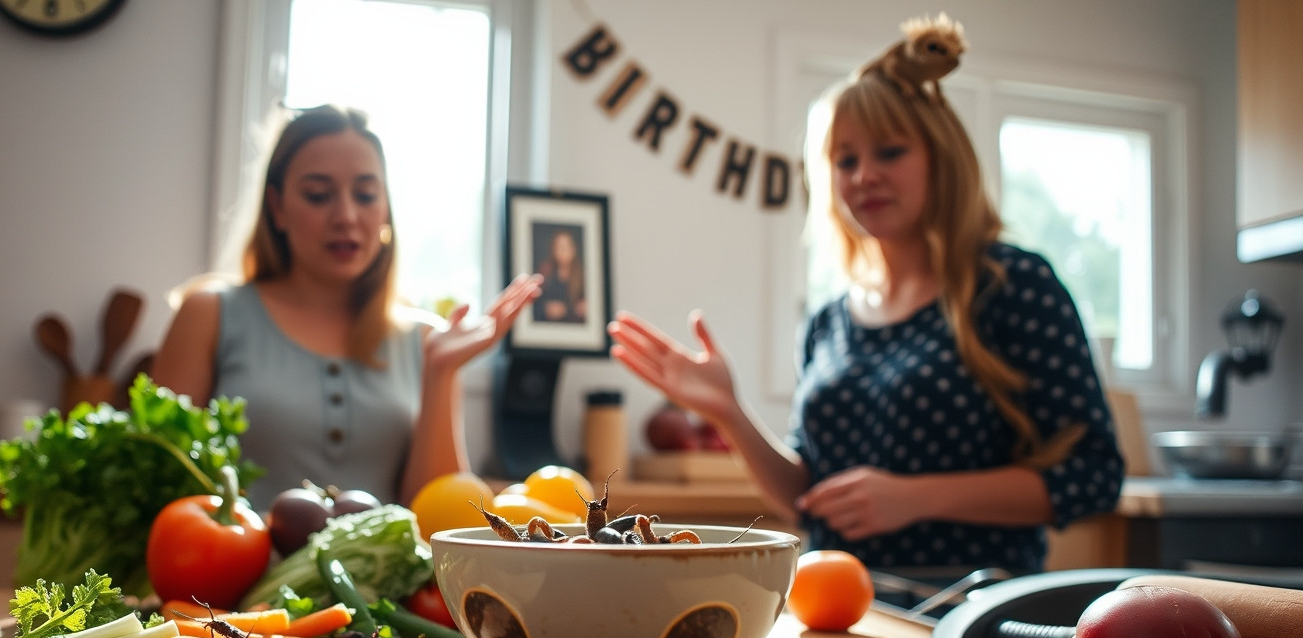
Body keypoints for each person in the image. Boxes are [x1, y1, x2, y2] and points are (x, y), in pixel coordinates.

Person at [608, 16, 1123, 575]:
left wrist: (916, 497)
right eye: (845, 160)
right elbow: (807, 499)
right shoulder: (829, 322)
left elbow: (1094, 477)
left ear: (941, 157)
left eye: (889, 152)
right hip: (841, 606)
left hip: (966, 608)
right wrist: (728, 412)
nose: (863, 176)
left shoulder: (1014, 286)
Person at [153, 104, 541, 511]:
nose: (346, 216)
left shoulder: (429, 341)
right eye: (318, 195)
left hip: (386, 576)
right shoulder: (210, 315)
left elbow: (433, 520)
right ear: (277, 207)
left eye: (366, 194)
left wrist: (441, 372)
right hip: (236, 574)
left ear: (386, 210)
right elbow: (159, 487)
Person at [531, 227, 587, 323]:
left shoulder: (584, 277)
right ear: (553, 250)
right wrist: (546, 310)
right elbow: (534, 309)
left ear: (573, 249)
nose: (563, 251)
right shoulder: (545, 275)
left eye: (566, 247)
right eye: (559, 247)